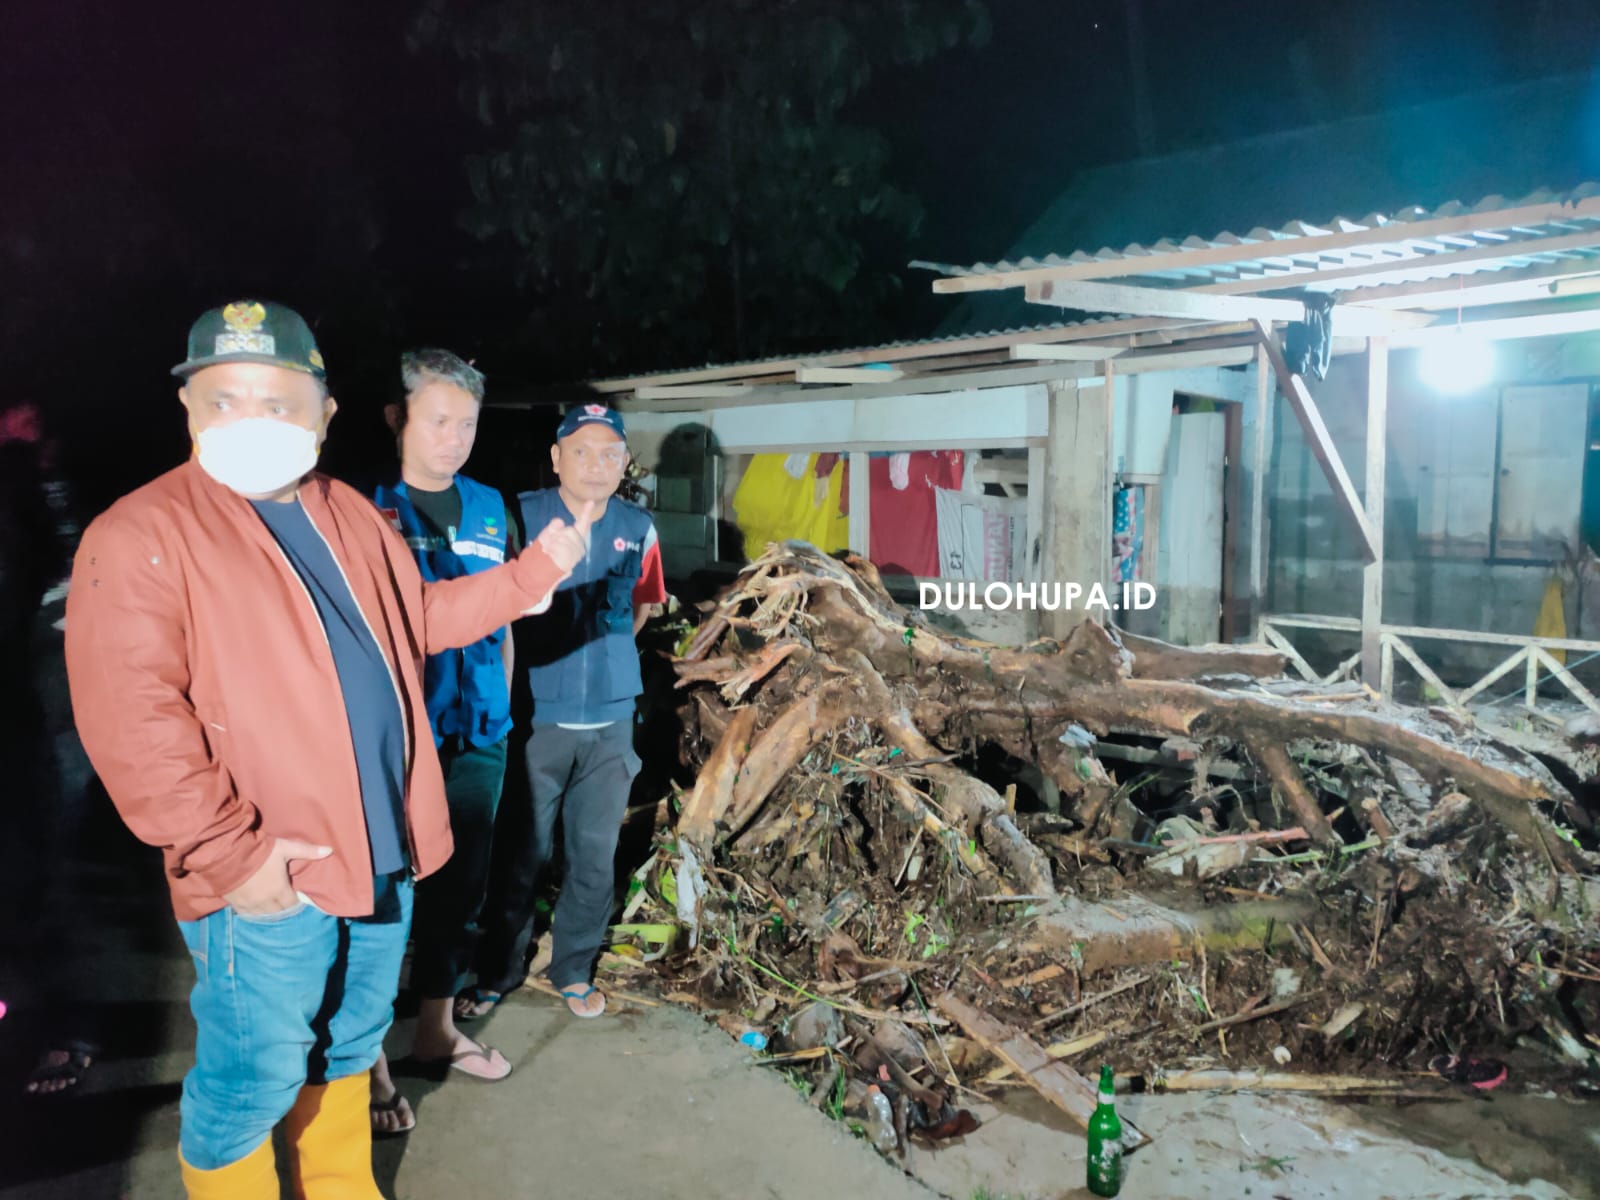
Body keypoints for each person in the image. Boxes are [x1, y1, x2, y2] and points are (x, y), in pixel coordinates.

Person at [62, 300, 592, 1199]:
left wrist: (534, 572)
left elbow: (418, 619)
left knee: (348, 1044)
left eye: (279, 399)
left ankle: (341, 1187)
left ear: (324, 411)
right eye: (224, 399)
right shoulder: (142, 534)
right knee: (253, 1077)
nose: (253, 420)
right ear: (189, 411)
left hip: (376, 849)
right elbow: (135, 724)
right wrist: (236, 858)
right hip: (266, 871)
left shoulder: (345, 512)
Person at [464, 403, 665, 1020]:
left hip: (608, 723)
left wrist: (606, 667)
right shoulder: (522, 516)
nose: (596, 465)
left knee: (593, 854)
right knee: (519, 854)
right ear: (555, 459)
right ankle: (497, 969)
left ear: (625, 462)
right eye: (581, 451)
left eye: (609, 453)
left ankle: (572, 969)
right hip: (536, 719)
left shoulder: (639, 525)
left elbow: (643, 606)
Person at [364, 350, 519, 1137]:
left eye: (467, 423)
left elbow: (504, 620)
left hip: (480, 731)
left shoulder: (493, 505)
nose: (454, 437)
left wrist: (506, 710)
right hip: (395, 740)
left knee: (460, 891)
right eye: (438, 420)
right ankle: (370, 1064)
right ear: (398, 418)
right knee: (386, 893)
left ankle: (433, 1030)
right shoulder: (360, 507)